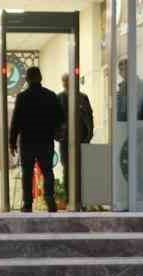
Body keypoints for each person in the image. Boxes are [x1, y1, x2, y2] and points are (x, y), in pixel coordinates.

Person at [9, 67, 60, 212]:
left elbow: (16, 121)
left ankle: (27, 204)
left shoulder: (22, 97)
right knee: (48, 171)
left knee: (27, 173)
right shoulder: (51, 96)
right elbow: (60, 117)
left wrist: (12, 142)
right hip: (45, 140)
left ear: (27, 79)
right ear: (41, 78)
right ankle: (50, 200)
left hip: (27, 142)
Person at [57, 74, 95, 209]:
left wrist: (89, 135)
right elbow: (55, 118)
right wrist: (58, 135)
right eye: (64, 81)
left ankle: (82, 200)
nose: (65, 83)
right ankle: (69, 199)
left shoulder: (83, 98)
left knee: (82, 170)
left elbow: (89, 116)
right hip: (66, 140)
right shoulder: (59, 97)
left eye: (68, 80)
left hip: (81, 140)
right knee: (67, 169)